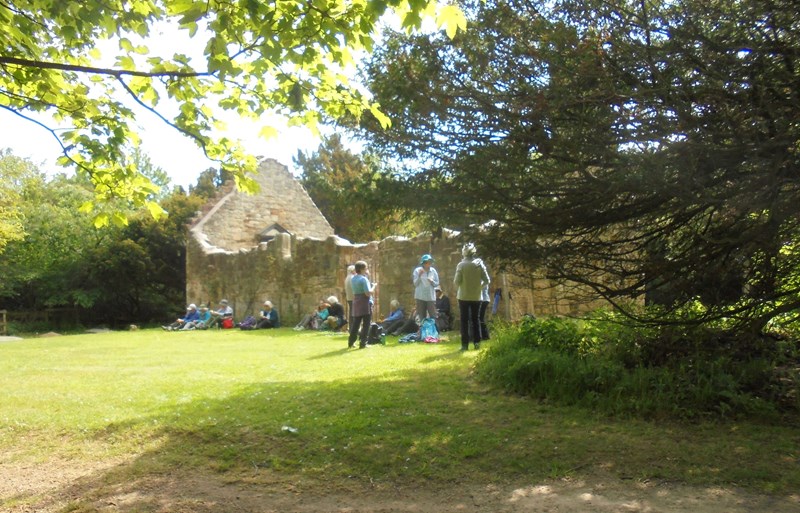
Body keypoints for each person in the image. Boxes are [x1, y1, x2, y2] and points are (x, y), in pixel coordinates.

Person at [454, 243, 490, 351]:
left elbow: (456, 281)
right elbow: (487, 280)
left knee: (464, 320)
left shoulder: (461, 265)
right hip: (476, 296)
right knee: (476, 320)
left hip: (463, 296)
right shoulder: (479, 264)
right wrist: (479, 287)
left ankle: (464, 345)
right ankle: (477, 343)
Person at [348, 260, 376, 348]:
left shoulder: (353, 279)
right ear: (362, 269)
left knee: (356, 323)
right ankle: (363, 343)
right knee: (366, 324)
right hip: (365, 302)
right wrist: (374, 286)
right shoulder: (364, 279)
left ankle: (351, 342)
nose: (367, 269)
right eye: (366, 268)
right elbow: (368, 293)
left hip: (356, 301)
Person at [412, 254, 439, 322]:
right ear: (423, 263)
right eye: (427, 262)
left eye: (430, 262)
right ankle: (422, 331)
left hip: (430, 297)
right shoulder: (417, 271)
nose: (429, 264)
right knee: (421, 316)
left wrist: (432, 281)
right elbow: (415, 283)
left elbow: (437, 283)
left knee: (433, 315)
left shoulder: (433, 271)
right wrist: (419, 276)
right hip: (420, 296)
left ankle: (435, 331)